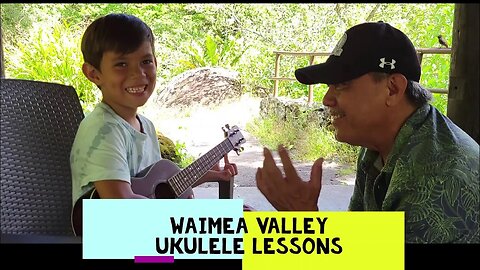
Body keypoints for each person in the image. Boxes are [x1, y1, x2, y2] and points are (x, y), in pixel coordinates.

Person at [256, 21, 479, 243]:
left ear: (392, 89)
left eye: (341, 84)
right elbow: (361, 243)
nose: (326, 99)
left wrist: (302, 220)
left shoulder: (438, 176)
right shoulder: (380, 144)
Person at [70, 13, 238, 206]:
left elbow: (155, 189)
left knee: (251, 223)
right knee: (251, 228)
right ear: (93, 73)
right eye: (121, 64)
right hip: (110, 232)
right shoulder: (102, 129)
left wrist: (209, 175)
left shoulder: (146, 126)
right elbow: (121, 206)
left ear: (156, 63)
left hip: (140, 229)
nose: (138, 74)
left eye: (146, 62)